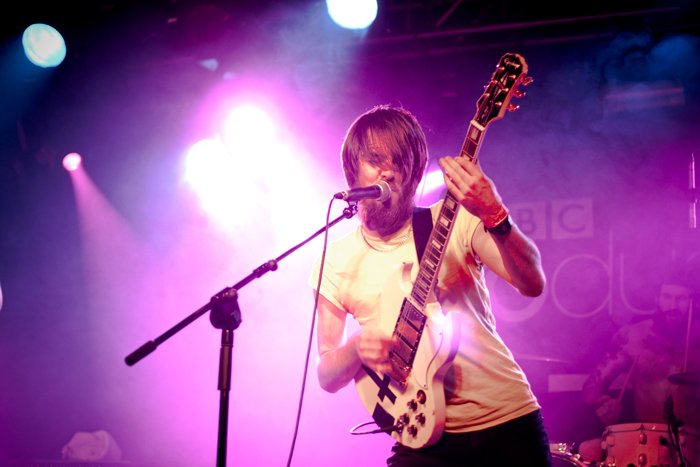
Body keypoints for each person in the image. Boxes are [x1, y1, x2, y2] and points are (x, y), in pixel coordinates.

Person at [309, 104, 552, 466]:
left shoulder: (454, 219)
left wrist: (494, 213)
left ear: (414, 173)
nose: (388, 171)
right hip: (420, 431)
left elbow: (532, 283)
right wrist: (357, 348)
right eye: (374, 160)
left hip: (505, 423)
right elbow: (327, 374)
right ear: (352, 170)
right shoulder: (336, 259)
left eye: (399, 162)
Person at [578, 274, 700, 464]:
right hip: (646, 441)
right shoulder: (635, 336)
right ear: (657, 299)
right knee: (587, 450)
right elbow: (592, 386)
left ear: (694, 302)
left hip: (695, 442)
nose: (673, 305)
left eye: (681, 298)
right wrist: (604, 404)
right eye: (667, 296)